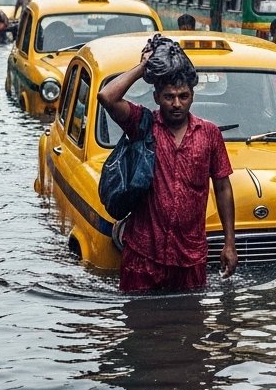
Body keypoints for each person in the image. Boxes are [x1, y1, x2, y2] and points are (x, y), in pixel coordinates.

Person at [96, 47, 238, 292]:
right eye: (168, 96)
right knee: (138, 325)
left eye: (183, 96)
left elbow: (223, 187)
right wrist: (143, 67)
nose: (176, 104)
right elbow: (107, 96)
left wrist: (229, 243)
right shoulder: (142, 125)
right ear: (156, 97)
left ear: (192, 96)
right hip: (142, 257)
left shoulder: (209, 134)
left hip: (190, 258)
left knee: (191, 324)